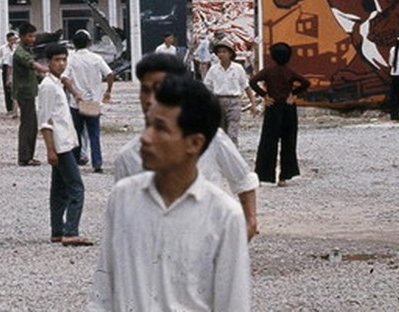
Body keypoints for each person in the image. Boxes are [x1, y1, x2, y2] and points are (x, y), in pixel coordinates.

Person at [90, 73, 251, 312]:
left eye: (160, 128)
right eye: (148, 125)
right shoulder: (123, 198)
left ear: (194, 143)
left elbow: (233, 304)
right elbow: (104, 287)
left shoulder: (224, 216)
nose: (144, 138)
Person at [113, 52, 259, 240]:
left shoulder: (212, 139)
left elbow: (242, 179)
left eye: (159, 89)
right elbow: (124, 214)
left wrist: (250, 222)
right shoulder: (128, 156)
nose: (150, 99)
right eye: (145, 90)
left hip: (205, 239)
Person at [38, 42, 91, 246]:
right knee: (76, 188)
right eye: (57, 60)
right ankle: (71, 231)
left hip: (66, 142)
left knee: (59, 189)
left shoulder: (57, 83)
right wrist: (50, 149)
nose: (61, 64)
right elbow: (45, 121)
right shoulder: (48, 87)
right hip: (59, 145)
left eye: (63, 60)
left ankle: (57, 230)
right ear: (49, 62)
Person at [249, 41, 310, 186]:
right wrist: (293, 93)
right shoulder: (290, 71)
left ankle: (264, 175)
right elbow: (306, 83)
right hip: (288, 108)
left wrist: (264, 95)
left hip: (273, 106)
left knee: (268, 142)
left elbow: (253, 81)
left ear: (273, 56)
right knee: (288, 141)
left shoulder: (269, 71)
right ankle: (284, 176)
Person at [63, 29, 114, 172]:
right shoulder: (96, 58)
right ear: (89, 42)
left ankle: (74, 162)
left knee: (76, 134)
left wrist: (74, 93)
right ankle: (97, 163)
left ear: (74, 43)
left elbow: (65, 78)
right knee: (94, 134)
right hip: (93, 102)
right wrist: (108, 91)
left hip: (77, 103)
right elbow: (110, 74)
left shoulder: (71, 59)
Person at [202, 40, 257, 145]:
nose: (221, 54)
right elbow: (207, 87)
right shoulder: (213, 69)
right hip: (218, 101)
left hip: (234, 101)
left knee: (232, 133)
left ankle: (232, 157)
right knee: (219, 132)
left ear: (230, 54)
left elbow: (246, 86)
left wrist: (253, 103)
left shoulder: (238, 68)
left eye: (224, 52)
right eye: (219, 52)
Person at [14, 22, 47, 166]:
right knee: (28, 124)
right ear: (21, 36)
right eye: (29, 36)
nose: (33, 39)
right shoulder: (21, 52)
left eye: (34, 36)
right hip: (24, 91)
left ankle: (27, 155)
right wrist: (49, 70)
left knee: (30, 124)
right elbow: (33, 65)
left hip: (28, 90)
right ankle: (25, 157)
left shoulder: (27, 49)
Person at [0, 31, 18, 114]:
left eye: (14, 39)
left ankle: (15, 107)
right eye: (11, 40)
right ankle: (9, 108)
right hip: (5, 67)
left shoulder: (17, 48)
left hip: (16, 68)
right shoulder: (2, 48)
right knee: (7, 89)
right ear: (8, 39)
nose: (13, 41)